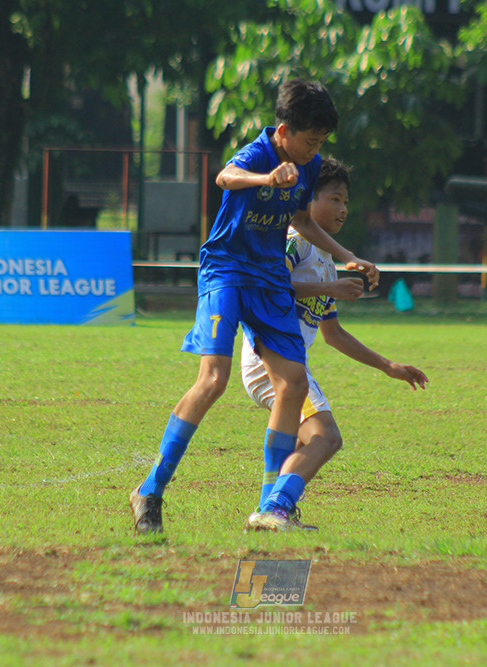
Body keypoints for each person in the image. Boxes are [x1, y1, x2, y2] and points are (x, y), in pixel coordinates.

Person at [129, 80, 380, 534]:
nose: (314, 151)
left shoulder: (310, 164)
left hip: (266, 276)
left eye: (321, 142)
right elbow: (226, 177)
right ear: (283, 131)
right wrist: (268, 177)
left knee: (294, 383)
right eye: (309, 141)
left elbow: (302, 220)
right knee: (213, 379)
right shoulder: (259, 153)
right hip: (226, 268)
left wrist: (347, 257)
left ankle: (269, 508)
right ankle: (149, 490)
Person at [240, 158, 429, 531]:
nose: (343, 209)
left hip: (286, 362)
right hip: (270, 360)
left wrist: (388, 366)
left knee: (307, 442)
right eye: (335, 199)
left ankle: (276, 510)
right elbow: (264, 285)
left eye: (346, 201)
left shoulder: (325, 259)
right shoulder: (295, 243)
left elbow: (333, 333)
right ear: (308, 200)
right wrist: (331, 288)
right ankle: (275, 507)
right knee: (326, 437)